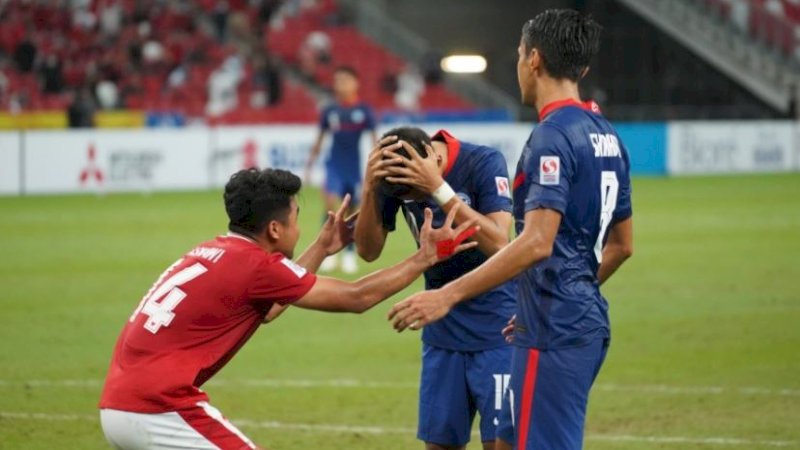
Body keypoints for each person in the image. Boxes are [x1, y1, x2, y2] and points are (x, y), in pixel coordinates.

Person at [387, 10, 634, 450]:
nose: (519, 64)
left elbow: (536, 242)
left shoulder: (552, 136)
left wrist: (447, 293)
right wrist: (560, 294)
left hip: (555, 328)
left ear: (534, 59)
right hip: (579, 320)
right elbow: (622, 246)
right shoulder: (607, 134)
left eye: (520, 54)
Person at [98, 168, 477, 450]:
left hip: (117, 405)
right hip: (157, 408)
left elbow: (270, 308)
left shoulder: (215, 250)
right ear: (275, 230)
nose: (299, 228)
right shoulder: (255, 266)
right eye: (296, 219)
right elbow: (356, 297)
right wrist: (423, 258)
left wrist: (321, 249)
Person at [355, 128, 516, 450]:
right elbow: (368, 251)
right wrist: (370, 188)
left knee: (501, 445)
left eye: (416, 193)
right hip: (441, 326)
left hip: (498, 326)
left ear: (436, 159)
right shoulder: (397, 174)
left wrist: (438, 189)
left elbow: (501, 243)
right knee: (439, 445)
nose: (413, 202)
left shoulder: (482, 161)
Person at [306, 66, 377, 273]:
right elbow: (320, 139)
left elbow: (374, 142)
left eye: (345, 80)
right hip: (333, 165)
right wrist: (309, 166)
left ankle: (348, 253)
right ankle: (325, 251)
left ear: (356, 83)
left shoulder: (363, 111)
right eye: (337, 81)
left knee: (354, 210)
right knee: (329, 205)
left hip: (353, 168)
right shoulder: (330, 111)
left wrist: (374, 171)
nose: (341, 85)